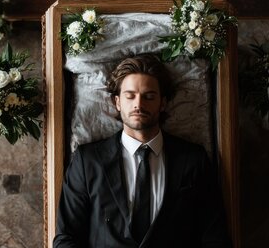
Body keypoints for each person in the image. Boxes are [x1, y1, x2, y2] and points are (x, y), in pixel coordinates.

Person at [53, 53, 231, 248]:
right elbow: (66, 237)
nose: (138, 104)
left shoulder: (193, 159)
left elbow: (215, 237)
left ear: (162, 103)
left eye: (149, 96)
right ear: (117, 102)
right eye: (130, 96)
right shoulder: (87, 161)